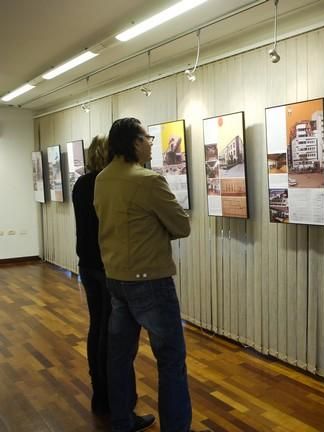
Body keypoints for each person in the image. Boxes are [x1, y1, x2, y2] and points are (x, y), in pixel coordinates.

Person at [94, 117, 192, 432]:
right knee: (171, 361)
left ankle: (121, 421)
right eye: (148, 137)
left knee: (120, 357)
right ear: (135, 142)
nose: (152, 143)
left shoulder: (102, 179)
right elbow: (181, 226)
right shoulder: (147, 180)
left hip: (116, 280)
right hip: (150, 282)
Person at [72, 135, 111, 417]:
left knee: (96, 326)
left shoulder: (81, 183)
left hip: (86, 263)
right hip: (107, 265)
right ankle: (110, 397)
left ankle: (99, 393)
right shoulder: (107, 183)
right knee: (111, 333)